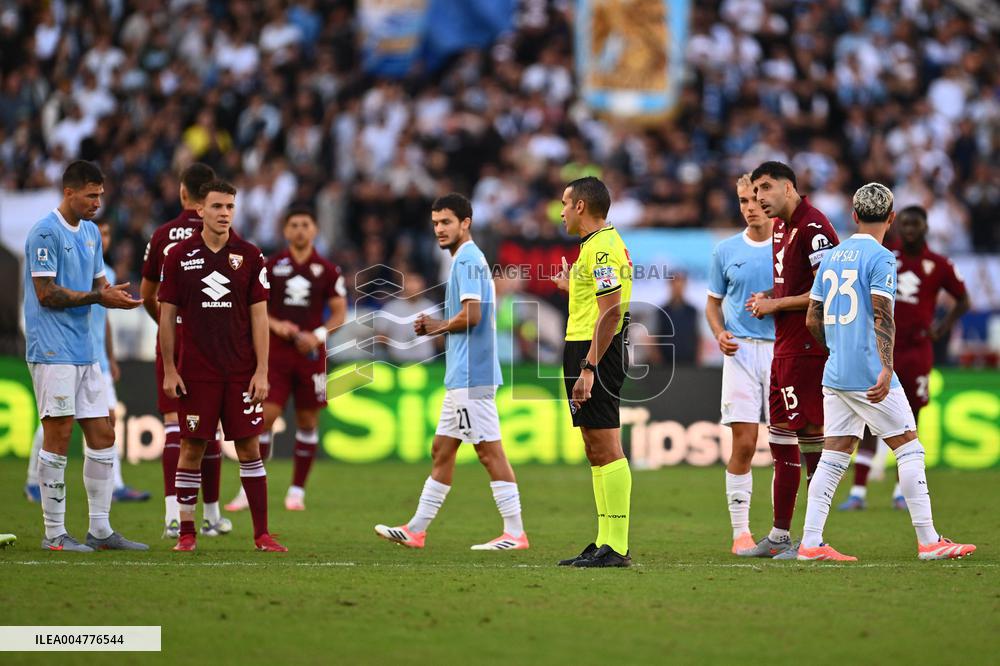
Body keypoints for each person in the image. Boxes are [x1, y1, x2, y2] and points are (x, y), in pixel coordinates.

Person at [800, 182, 975, 561]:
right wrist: (885, 365)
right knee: (909, 447)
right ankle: (929, 541)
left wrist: (836, 347)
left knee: (834, 454)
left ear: (854, 216)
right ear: (892, 219)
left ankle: (811, 543)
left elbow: (812, 317)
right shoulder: (881, 258)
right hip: (868, 370)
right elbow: (883, 313)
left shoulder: (831, 256)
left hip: (836, 372)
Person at [374, 193, 528, 551]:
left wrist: (435, 327)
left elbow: (472, 316)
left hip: (472, 376)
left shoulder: (468, 260)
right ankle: (416, 529)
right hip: (462, 374)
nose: (439, 229)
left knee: (490, 453)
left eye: (446, 222)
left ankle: (515, 532)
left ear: (465, 223)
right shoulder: (463, 260)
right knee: (442, 450)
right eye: (435, 224)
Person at [23, 160, 147, 552]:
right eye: (91, 195)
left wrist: (118, 298)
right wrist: (99, 298)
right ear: (69, 192)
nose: (97, 202)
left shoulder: (92, 234)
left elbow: (100, 286)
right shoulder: (45, 232)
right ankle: (54, 534)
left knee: (104, 433)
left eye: (100, 195)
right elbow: (47, 293)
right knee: (58, 436)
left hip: (84, 351)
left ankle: (100, 529)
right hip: (53, 349)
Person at [158, 179, 286, 552]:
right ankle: (186, 533)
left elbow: (260, 318)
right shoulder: (179, 256)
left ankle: (262, 534)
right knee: (192, 449)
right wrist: (169, 368)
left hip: (241, 372)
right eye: (217, 206)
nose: (224, 213)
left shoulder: (250, 255)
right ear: (200, 210)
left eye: (230, 206)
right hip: (197, 371)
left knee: (249, 449)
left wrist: (262, 370)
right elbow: (168, 318)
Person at [838, 205, 970, 511]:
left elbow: (963, 299)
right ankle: (858, 491)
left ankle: (901, 491)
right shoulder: (885, 256)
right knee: (871, 419)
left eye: (916, 225)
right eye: (905, 224)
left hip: (917, 350)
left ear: (925, 228)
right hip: (883, 348)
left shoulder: (939, 264)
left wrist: (943, 326)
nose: (909, 230)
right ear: (898, 226)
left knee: (911, 419)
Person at [740, 161, 839, 559]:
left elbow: (827, 290)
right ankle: (780, 534)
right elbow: (793, 282)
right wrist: (770, 294)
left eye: (765, 188)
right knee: (780, 440)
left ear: (788, 187)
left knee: (810, 438)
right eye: (754, 190)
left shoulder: (814, 228)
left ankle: (813, 537)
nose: (759, 197)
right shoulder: (781, 226)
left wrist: (776, 303)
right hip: (783, 346)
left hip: (807, 348)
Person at [225, 208, 346, 512]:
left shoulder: (328, 269)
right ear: (285, 231)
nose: (300, 230)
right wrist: (277, 326)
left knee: (307, 421)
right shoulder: (271, 265)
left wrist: (317, 335)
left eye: (306, 224)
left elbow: (340, 312)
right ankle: (247, 490)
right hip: (275, 354)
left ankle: (296, 491)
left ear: (315, 230)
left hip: (311, 355)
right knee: (264, 419)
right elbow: (256, 307)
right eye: (294, 225)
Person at [140, 162, 231, 538]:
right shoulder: (221, 232)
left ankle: (172, 516)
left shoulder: (162, 235)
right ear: (209, 195)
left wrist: (167, 323)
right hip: (210, 343)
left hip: (172, 340)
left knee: (175, 428)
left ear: (182, 192)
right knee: (210, 430)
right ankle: (210, 514)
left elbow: (147, 295)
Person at [551, 176, 633, 568]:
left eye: (565, 203)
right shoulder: (595, 248)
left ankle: (616, 545)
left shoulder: (601, 249)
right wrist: (573, 287)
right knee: (594, 447)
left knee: (605, 444)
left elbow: (612, 311)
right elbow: (600, 302)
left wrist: (588, 368)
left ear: (581, 206)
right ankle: (604, 540)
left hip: (595, 350)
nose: (561, 211)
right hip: (585, 344)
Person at [705, 174, 775, 554]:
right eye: (743, 202)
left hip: (783, 351)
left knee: (786, 443)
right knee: (745, 443)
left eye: (754, 200)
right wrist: (719, 333)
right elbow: (713, 304)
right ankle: (740, 533)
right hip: (741, 353)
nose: (749, 208)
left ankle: (784, 530)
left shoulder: (787, 247)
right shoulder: (725, 250)